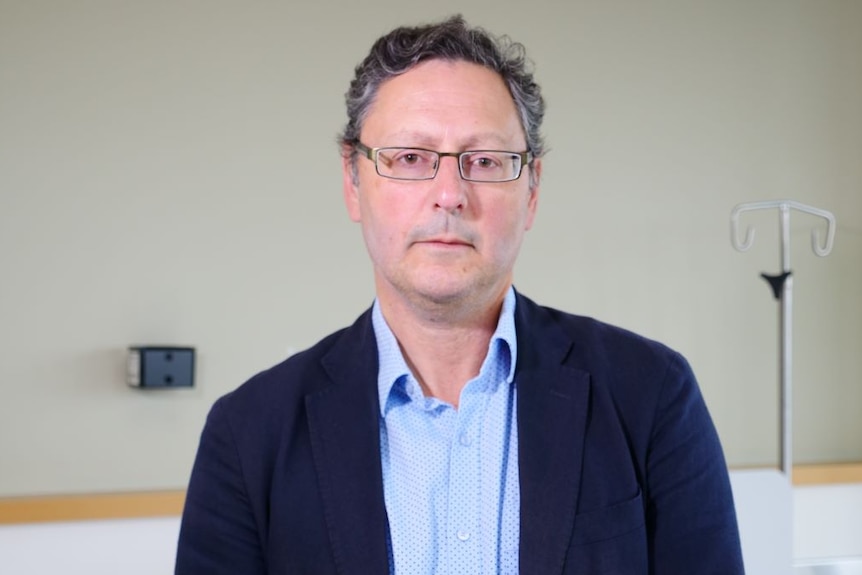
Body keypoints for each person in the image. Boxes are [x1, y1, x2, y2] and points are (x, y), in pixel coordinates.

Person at [175, 15, 744, 575]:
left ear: (533, 189)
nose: (449, 194)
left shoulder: (651, 395)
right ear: (353, 181)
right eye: (410, 158)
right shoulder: (249, 435)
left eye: (486, 162)